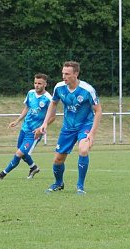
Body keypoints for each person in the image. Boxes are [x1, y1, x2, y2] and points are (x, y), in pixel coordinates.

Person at [35, 61, 102, 195]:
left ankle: (80, 186)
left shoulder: (87, 90)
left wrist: (92, 133)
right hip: (68, 127)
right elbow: (53, 104)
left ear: (76, 74)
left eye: (67, 74)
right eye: (63, 73)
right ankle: (58, 183)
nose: (64, 76)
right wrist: (44, 123)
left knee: (83, 150)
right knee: (58, 159)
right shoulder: (59, 88)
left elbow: (98, 110)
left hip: (85, 125)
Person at [0, 74, 52, 181]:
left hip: (34, 133)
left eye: (39, 83)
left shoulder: (48, 98)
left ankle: (2, 175)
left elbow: (52, 117)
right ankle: (33, 167)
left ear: (45, 84)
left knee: (19, 153)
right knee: (21, 152)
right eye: (35, 83)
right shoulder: (30, 93)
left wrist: (42, 128)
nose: (37, 85)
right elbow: (27, 108)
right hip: (25, 129)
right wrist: (17, 121)